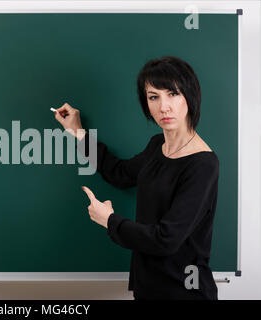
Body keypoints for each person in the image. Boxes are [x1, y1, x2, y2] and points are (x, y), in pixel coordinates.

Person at [54, 56, 219, 300]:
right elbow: (119, 173)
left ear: (190, 96)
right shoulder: (157, 146)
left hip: (184, 292)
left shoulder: (203, 164)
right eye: (154, 97)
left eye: (173, 94)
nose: (164, 106)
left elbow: (166, 240)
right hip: (148, 287)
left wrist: (109, 220)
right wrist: (78, 133)